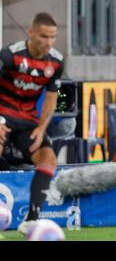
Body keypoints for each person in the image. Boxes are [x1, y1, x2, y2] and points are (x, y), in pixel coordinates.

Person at [0, 12, 64, 235]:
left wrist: (41, 128)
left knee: (48, 158)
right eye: (44, 36)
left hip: (27, 121)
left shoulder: (56, 61)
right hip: (2, 114)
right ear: (31, 32)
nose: (49, 42)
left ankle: (31, 220)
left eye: (53, 37)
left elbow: (51, 97)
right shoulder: (9, 55)